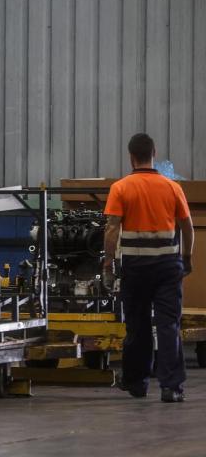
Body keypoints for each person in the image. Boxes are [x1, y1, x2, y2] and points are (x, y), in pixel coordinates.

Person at [102, 133, 194, 402]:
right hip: (168, 267)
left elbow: (111, 229)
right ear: (154, 154)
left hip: (136, 268)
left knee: (138, 325)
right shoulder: (172, 187)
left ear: (131, 156)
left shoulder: (121, 188)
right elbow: (188, 227)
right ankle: (170, 387)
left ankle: (137, 382)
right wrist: (187, 257)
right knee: (168, 325)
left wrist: (108, 264)